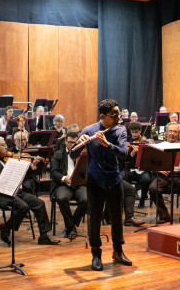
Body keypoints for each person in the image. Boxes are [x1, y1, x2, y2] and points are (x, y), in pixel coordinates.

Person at [71, 99, 131, 271]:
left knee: (116, 218)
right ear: (103, 116)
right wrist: (79, 144)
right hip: (95, 182)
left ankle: (118, 252)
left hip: (114, 180)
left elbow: (124, 155)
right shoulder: (90, 130)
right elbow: (72, 154)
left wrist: (108, 144)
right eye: (114, 115)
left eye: (118, 113)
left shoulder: (119, 131)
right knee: (95, 219)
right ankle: (96, 254)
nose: (119, 117)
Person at [0, 136, 60, 246]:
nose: (6, 147)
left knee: (39, 203)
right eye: (3, 145)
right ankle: (6, 227)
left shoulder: (5, 160)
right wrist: (14, 167)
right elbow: (1, 177)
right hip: (0, 194)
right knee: (23, 207)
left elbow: (19, 176)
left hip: (16, 192)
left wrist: (32, 165)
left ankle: (44, 236)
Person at [148, 122, 180, 224]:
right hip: (164, 176)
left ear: (178, 134)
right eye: (170, 131)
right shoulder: (160, 146)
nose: (172, 134)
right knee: (153, 189)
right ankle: (164, 215)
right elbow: (152, 163)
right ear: (166, 132)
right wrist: (158, 169)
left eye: (175, 131)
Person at [50, 132, 88, 238]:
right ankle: (71, 227)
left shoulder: (82, 154)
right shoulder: (58, 154)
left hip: (79, 184)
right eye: (70, 142)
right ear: (65, 141)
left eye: (74, 142)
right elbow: (54, 172)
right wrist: (64, 178)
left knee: (87, 200)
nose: (72, 145)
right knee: (61, 198)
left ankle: (70, 226)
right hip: (63, 184)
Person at [123, 121, 152, 210]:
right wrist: (132, 153)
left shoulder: (144, 141)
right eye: (133, 132)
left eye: (136, 132)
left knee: (146, 179)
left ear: (140, 131)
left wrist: (143, 150)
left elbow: (149, 157)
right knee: (122, 178)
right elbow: (125, 157)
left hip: (142, 169)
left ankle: (142, 200)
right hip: (130, 170)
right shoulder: (128, 142)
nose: (134, 134)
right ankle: (125, 202)